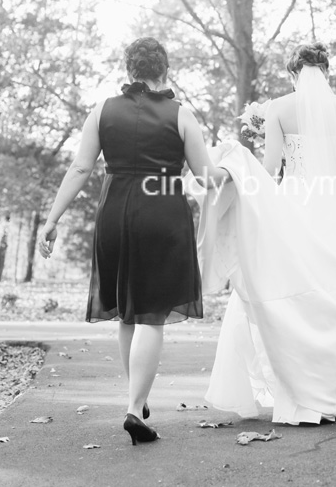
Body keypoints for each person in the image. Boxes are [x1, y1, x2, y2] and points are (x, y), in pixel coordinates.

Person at [38, 37, 229, 445]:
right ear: (165, 70)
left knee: (127, 313)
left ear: (129, 71)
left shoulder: (102, 110)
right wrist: (233, 169)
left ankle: (135, 400)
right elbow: (206, 178)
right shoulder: (182, 116)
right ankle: (133, 407)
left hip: (115, 214)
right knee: (151, 316)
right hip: (162, 215)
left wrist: (52, 220)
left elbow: (80, 167)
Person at [197, 43, 336, 424]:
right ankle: (327, 386)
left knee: (289, 289)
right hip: (334, 208)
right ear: (326, 71)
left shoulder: (279, 108)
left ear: (293, 74)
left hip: (295, 205)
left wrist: (238, 166)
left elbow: (268, 168)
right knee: (330, 293)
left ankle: (292, 383)